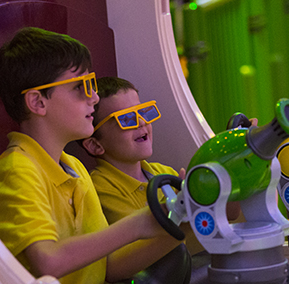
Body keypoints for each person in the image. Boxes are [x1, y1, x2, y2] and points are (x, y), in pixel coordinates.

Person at [0, 27, 183, 284]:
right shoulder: (16, 170)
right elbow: (48, 261)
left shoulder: (73, 166)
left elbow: (109, 267)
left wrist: (180, 223)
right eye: (81, 87)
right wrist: (140, 223)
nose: (94, 97)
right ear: (38, 102)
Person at [80, 77, 243, 255]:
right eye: (127, 119)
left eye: (143, 113)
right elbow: (141, 250)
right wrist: (188, 209)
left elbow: (229, 213)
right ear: (95, 146)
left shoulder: (163, 173)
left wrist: (236, 163)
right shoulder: (100, 188)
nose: (142, 122)